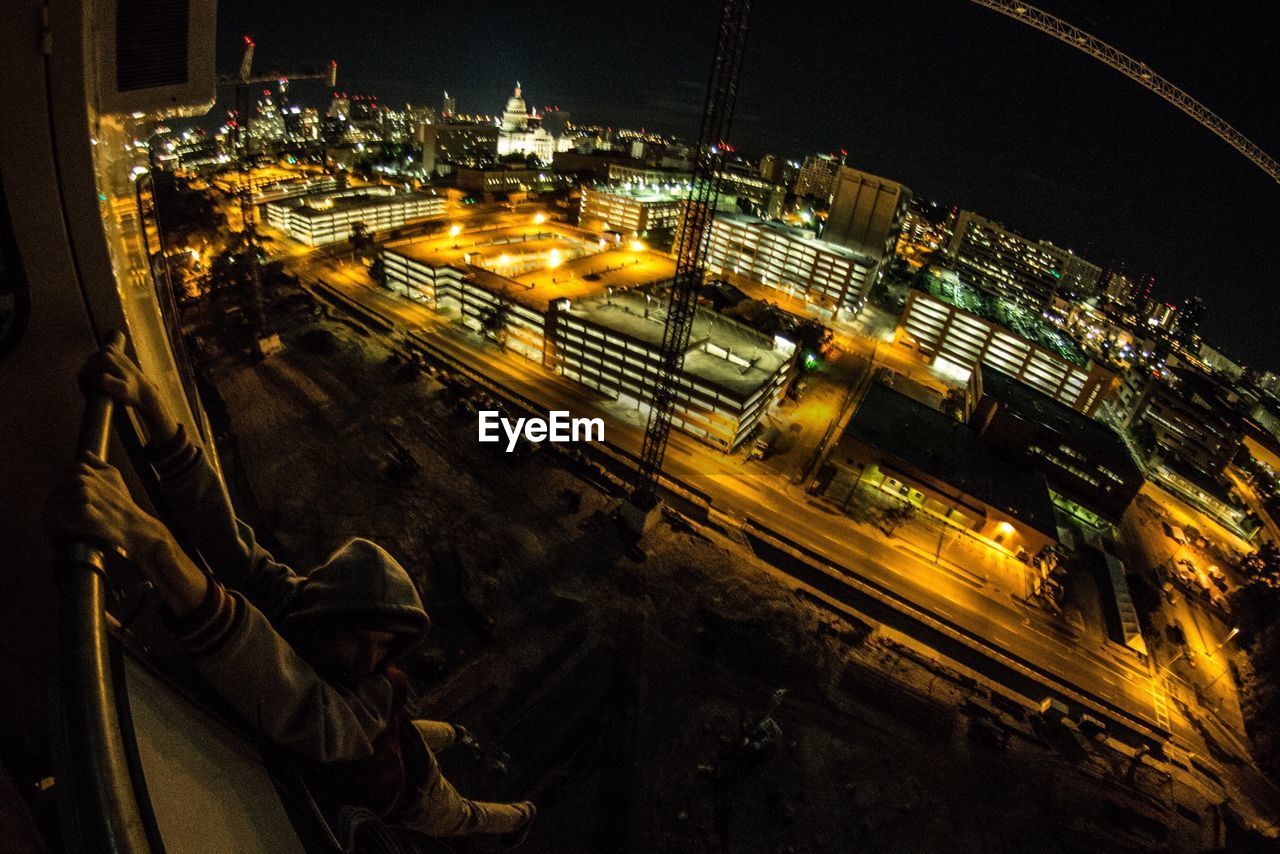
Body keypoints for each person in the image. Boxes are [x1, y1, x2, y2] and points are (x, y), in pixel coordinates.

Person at [49, 336, 535, 846]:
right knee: (413, 735)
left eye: (385, 645)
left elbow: (292, 696)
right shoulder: (300, 607)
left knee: (460, 814)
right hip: (393, 754)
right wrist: (152, 404)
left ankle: (518, 816)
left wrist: (156, 547)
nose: (371, 656)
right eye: (363, 637)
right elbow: (227, 538)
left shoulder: (359, 698)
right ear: (330, 614)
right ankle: (461, 743)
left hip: (410, 792)